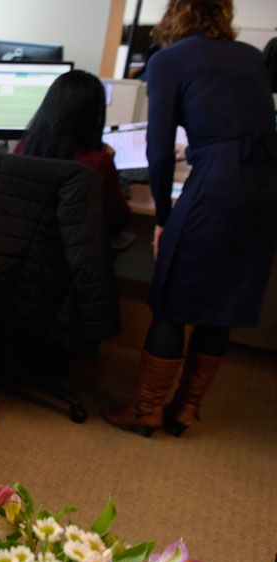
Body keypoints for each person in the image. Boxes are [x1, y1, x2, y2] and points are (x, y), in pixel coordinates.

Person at [102, 0, 277, 436]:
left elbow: (158, 150)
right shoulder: (251, 56)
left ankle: (146, 411)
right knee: (222, 300)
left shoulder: (168, 60)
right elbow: (240, 126)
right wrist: (198, 148)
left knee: (172, 300)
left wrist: (163, 215)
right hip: (264, 187)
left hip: (216, 187)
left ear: (175, 13)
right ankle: (185, 408)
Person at [14, 69, 132, 242]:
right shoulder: (99, 161)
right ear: (94, 115)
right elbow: (120, 219)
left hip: (23, 251)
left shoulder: (24, 146)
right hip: (73, 257)